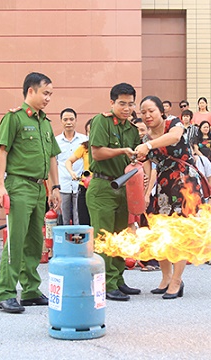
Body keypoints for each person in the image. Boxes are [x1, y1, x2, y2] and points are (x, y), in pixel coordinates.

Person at [0, 72, 61, 313]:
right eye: (45, 93)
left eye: (51, 94)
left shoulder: (45, 122)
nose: (48, 99)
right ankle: (6, 292)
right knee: (16, 241)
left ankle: (31, 290)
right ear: (30, 91)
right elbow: (2, 153)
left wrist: (54, 187)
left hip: (38, 187)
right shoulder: (14, 119)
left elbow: (52, 156)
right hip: (18, 185)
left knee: (35, 241)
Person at [135, 95, 207, 299]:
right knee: (159, 231)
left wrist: (148, 147)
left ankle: (177, 281)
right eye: (143, 112)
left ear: (161, 111)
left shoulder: (172, 123)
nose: (147, 115)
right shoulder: (145, 138)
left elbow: (174, 138)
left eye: (151, 111)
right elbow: (148, 166)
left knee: (181, 232)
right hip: (164, 184)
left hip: (185, 180)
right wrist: (146, 193)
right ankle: (166, 277)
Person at [86, 82, 141, 302]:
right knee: (103, 237)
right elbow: (97, 153)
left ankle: (118, 279)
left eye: (130, 104)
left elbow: (135, 156)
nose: (126, 108)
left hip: (124, 187)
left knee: (120, 236)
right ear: (112, 103)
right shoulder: (102, 121)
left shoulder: (132, 129)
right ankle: (104, 284)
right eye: (122, 104)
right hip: (103, 187)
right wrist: (122, 150)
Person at [55, 108, 88, 225]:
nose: (68, 122)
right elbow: (54, 163)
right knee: (63, 217)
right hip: (63, 185)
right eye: (65, 119)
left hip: (80, 184)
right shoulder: (56, 141)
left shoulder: (84, 140)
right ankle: (65, 240)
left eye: (71, 119)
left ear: (76, 121)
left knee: (78, 215)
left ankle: (77, 239)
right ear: (61, 121)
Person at [65, 119, 92, 226]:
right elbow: (68, 161)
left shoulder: (107, 147)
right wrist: (72, 172)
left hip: (100, 186)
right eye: (89, 131)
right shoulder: (84, 147)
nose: (91, 134)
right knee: (83, 218)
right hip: (85, 186)